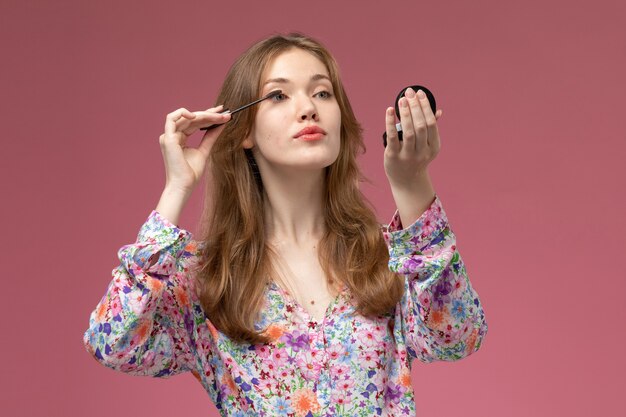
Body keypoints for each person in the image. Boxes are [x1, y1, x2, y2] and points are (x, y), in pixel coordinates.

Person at [83, 32, 488, 417]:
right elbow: (112, 343)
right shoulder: (209, 277)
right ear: (243, 131)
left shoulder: (386, 256)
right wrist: (176, 189)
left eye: (322, 92)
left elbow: (456, 338)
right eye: (279, 95)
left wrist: (411, 183)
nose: (308, 107)